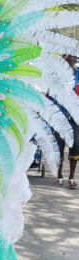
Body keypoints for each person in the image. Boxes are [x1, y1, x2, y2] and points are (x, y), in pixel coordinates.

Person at [54, 55, 78, 189]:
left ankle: (72, 177)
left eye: (74, 58)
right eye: (69, 57)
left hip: (76, 118)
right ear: (63, 58)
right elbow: (49, 93)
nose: (72, 60)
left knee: (76, 145)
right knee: (59, 145)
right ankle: (59, 176)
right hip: (59, 116)